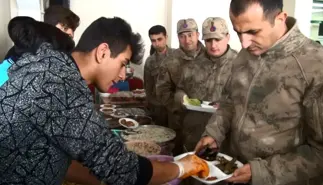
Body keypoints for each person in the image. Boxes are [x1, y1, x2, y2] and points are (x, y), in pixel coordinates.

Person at [0, 16, 209, 185]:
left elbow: (61, 158)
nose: (122, 75)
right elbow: (121, 168)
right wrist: (183, 167)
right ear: (103, 52)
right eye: (122, 64)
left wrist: (102, 179)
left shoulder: (52, 68)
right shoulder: (61, 86)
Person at [195, 0, 323, 185]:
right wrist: (213, 133)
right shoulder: (245, 55)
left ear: (280, 19)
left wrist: (261, 172)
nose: (244, 43)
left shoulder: (320, 67)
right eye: (238, 32)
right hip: (234, 171)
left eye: (253, 32)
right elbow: (229, 101)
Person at [174, 17, 237, 152]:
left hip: (223, 141)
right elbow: (180, 89)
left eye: (217, 39)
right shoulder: (194, 63)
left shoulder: (239, 65)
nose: (213, 45)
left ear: (227, 37)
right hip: (193, 135)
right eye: (208, 40)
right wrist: (182, 98)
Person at [156, 18, 205, 155]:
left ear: (197, 34)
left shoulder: (210, 55)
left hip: (207, 121)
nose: (187, 40)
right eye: (182, 36)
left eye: (190, 35)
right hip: (180, 121)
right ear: (178, 37)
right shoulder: (170, 60)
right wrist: (176, 107)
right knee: (180, 158)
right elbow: (162, 90)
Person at [3, 5, 80, 61]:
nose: (71, 34)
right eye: (65, 28)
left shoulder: (67, 54)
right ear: (49, 27)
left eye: (73, 29)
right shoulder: (24, 51)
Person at [144, 25, 173, 127]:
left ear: (166, 37)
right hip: (158, 108)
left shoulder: (177, 56)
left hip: (175, 107)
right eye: (153, 41)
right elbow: (148, 86)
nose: (157, 44)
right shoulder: (149, 62)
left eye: (160, 39)